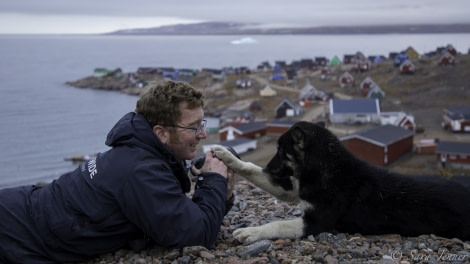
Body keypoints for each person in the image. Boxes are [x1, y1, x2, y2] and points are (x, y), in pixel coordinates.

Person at [0, 80, 236, 264]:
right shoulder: (141, 170)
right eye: (193, 127)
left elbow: (174, 219)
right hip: (15, 233)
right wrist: (212, 179)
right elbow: (197, 234)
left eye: (202, 124)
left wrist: (220, 192)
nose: (203, 134)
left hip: (18, 212)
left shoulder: (139, 154)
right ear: (161, 133)